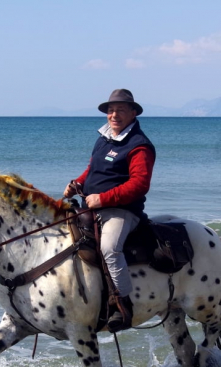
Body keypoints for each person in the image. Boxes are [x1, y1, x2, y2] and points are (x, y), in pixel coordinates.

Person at [63, 88, 156, 333]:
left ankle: (122, 305)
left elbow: (139, 184)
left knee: (109, 248)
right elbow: (92, 169)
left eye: (120, 110)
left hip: (121, 211)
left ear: (133, 113)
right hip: (91, 207)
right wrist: (77, 184)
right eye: (111, 110)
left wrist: (103, 199)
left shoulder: (140, 145)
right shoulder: (104, 138)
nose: (114, 115)